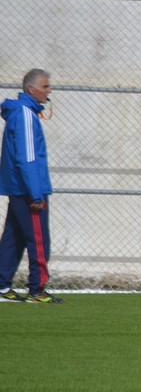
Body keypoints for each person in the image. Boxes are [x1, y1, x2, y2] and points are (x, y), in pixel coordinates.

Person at [0, 69, 63, 304]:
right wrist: (36, 193)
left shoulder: (21, 112)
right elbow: (27, 158)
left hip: (19, 188)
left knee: (13, 237)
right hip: (28, 190)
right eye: (45, 86)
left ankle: (2, 284)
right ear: (31, 89)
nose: (49, 90)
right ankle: (37, 289)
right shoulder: (25, 114)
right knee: (38, 240)